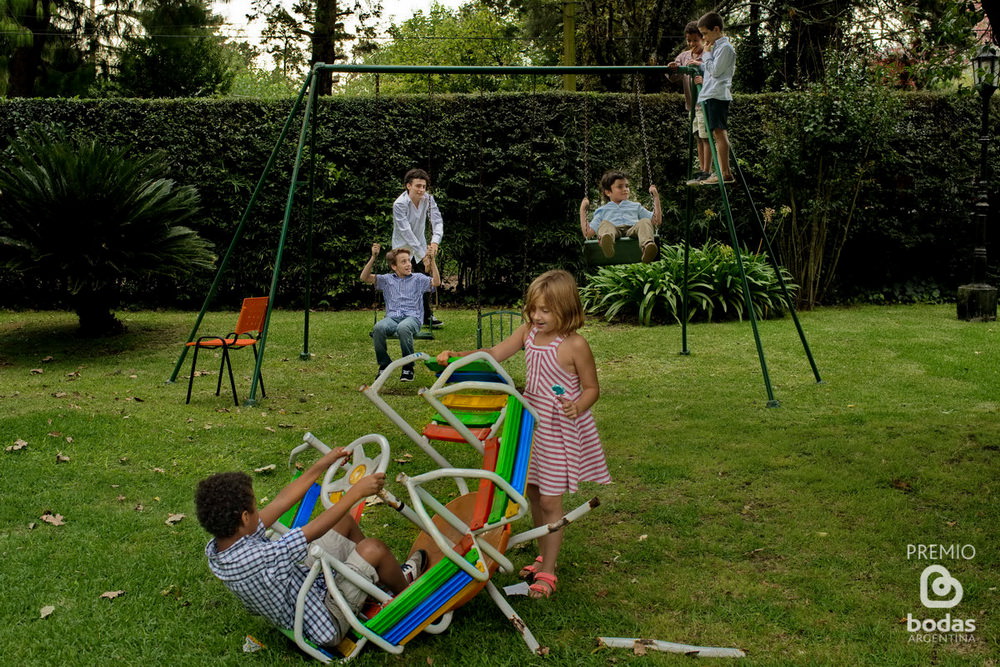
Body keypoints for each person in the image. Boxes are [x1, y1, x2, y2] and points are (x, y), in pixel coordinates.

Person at [436, 270, 610, 599]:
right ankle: (543, 553)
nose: (536, 316)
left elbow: (592, 388)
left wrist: (578, 405)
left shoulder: (575, 345)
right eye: (533, 308)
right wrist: (458, 358)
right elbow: (494, 354)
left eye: (545, 310)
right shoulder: (528, 333)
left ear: (567, 308)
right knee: (531, 492)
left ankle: (548, 572)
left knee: (550, 499)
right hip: (530, 426)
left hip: (558, 431)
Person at [195, 451, 425, 651]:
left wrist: (322, 464)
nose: (260, 511)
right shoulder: (257, 559)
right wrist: (356, 493)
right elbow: (312, 530)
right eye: (255, 508)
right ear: (245, 517)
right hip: (326, 620)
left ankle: (373, 582)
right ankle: (409, 598)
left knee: (343, 521)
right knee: (373, 548)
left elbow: (282, 501)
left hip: (303, 588)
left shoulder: (224, 545)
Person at [361, 243, 440, 382]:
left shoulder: (418, 279)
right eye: (403, 262)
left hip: (412, 318)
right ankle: (384, 364)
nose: (409, 264)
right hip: (392, 318)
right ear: (394, 266)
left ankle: (408, 367)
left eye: (409, 261)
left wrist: (432, 260)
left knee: (403, 328)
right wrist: (373, 257)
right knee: (378, 328)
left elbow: (436, 282)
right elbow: (364, 277)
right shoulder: (386, 280)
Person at [392, 168, 444, 328]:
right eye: (418, 186)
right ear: (408, 186)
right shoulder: (399, 204)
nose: (422, 190)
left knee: (424, 282)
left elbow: (437, 221)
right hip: (402, 248)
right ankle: (399, 317)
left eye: (424, 186)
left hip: (420, 245)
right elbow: (406, 232)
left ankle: (427, 316)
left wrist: (435, 242)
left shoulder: (428, 200)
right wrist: (424, 256)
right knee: (404, 284)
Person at [580, 169, 662, 263]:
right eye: (620, 187)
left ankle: (647, 246)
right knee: (604, 224)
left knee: (645, 221)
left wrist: (656, 197)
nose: (625, 189)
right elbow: (588, 233)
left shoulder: (636, 206)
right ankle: (607, 242)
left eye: (627, 186)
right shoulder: (602, 210)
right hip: (613, 231)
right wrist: (582, 210)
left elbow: (656, 221)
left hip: (632, 230)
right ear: (608, 192)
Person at [692, 11, 736, 185]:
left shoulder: (725, 48)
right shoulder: (717, 48)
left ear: (716, 29)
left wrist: (707, 54)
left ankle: (724, 172)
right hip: (710, 94)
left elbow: (716, 71)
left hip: (717, 95)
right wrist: (700, 64)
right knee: (715, 134)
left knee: (719, 134)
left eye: (705, 33)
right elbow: (710, 68)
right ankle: (722, 171)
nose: (704, 37)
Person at [667, 22, 712, 184]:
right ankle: (702, 169)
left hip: (705, 102)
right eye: (689, 41)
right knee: (698, 137)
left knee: (706, 137)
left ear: (703, 39)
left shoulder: (708, 55)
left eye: (695, 40)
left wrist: (701, 70)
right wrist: (672, 69)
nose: (692, 44)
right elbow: (674, 77)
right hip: (691, 105)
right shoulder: (684, 56)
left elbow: (716, 76)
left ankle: (707, 170)